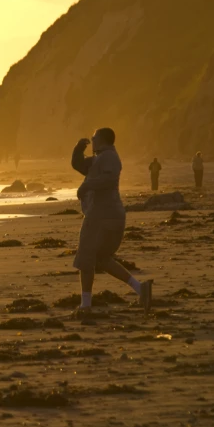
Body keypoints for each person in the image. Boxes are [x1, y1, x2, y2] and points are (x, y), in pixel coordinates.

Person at [71, 128, 152, 312]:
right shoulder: (100, 158)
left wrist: (86, 186)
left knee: (86, 258)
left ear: (103, 139)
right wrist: (78, 149)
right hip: (108, 214)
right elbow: (80, 166)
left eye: (94, 137)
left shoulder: (109, 157)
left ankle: (85, 305)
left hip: (102, 215)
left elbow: (109, 179)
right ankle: (141, 289)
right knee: (101, 259)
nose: (92, 140)